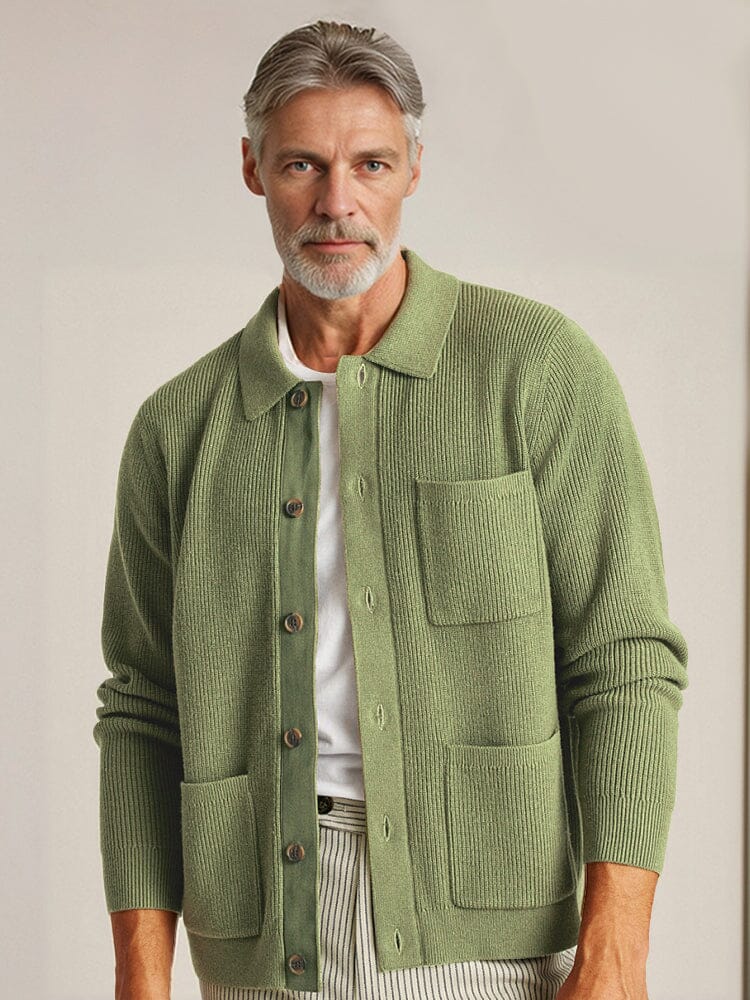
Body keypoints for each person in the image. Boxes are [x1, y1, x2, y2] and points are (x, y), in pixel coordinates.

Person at [93, 19, 689, 1000]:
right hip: (260, 939)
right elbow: (142, 708)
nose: (337, 203)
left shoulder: (537, 370)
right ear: (252, 169)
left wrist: (616, 951)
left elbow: (623, 660)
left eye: (370, 163)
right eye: (302, 164)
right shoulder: (179, 427)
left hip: (490, 934)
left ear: (414, 167)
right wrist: (140, 977)